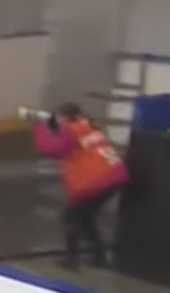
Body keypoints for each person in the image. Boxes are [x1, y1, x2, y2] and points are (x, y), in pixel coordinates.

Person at [31, 103, 129, 270]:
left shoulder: (70, 132)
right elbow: (71, 142)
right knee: (84, 218)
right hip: (113, 176)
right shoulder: (88, 126)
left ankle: (71, 260)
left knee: (71, 218)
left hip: (94, 182)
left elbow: (51, 149)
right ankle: (99, 256)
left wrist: (37, 128)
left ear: (63, 117)